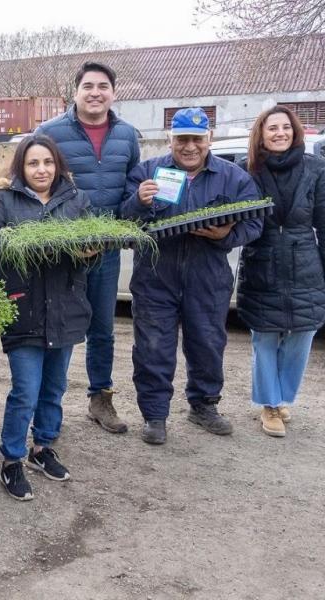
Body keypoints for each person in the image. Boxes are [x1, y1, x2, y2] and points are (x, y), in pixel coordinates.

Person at [121, 107, 262, 445]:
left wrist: (225, 237)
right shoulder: (147, 172)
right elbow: (122, 221)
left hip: (208, 278)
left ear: (209, 139)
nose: (189, 146)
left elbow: (255, 222)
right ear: (171, 139)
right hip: (155, 276)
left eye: (197, 139)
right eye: (182, 139)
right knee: (153, 348)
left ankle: (204, 406)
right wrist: (138, 202)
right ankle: (155, 415)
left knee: (208, 344)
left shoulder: (234, 177)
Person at [0, 134, 93, 501]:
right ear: (21, 168)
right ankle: (12, 460)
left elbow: (93, 247)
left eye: (47, 162)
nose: (41, 169)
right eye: (33, 163)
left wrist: (91, 251)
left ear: (57, 165)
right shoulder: (5, 200)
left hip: (66, 310)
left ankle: (42, 448)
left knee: (54, 388)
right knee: (25, 391)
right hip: (23, 309)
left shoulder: (77, 200)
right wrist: (27, 241)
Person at [36, 61, 140, 435]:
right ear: (75, 91)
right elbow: (35, 184)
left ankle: (100, 399)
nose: (96, 93)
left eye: (103, 86)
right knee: (55, 324)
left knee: (102, 327)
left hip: (106, 249)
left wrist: (132, 212)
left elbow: (131, 186)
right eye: (88, 86)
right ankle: (47, 406)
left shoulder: (127, 134)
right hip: (61, 252)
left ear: (114, 92)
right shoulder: (49, 132)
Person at [237, 106, 325, 437]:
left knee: (303, 333)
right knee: (265, 336)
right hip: (262, 261)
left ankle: (283, 396)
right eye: (271, 128)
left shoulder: (316, 168)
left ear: (295, 131)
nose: (279, 133)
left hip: (305, 262)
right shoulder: (248, 171)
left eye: (285, 127)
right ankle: (269, 405)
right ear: (261, 134)